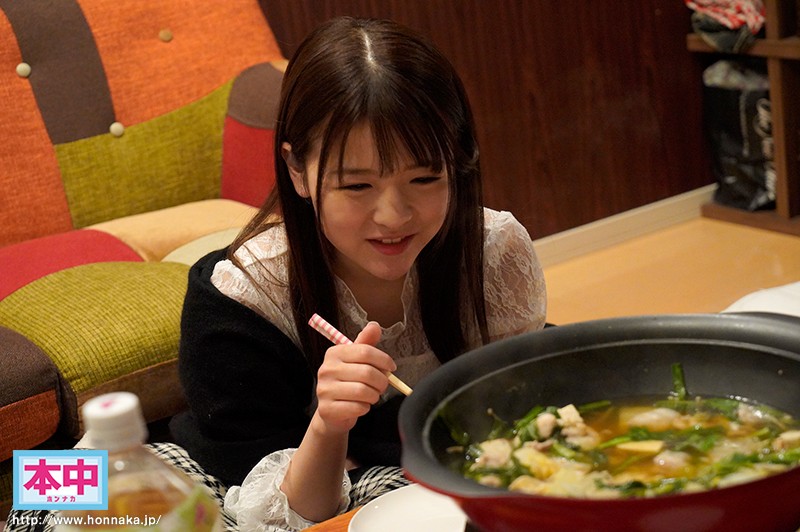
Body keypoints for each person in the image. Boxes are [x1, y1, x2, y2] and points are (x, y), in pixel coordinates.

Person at [169, 15, 547, 531]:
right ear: (298, 171)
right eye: (357, 186)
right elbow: (282, 516)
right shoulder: (240, 296)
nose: (393, 216)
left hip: (403, 476)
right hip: (228, 480)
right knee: (68, 496)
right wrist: (329, 425)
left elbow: (518, 422)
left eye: (424, 177)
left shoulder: (494, 255)